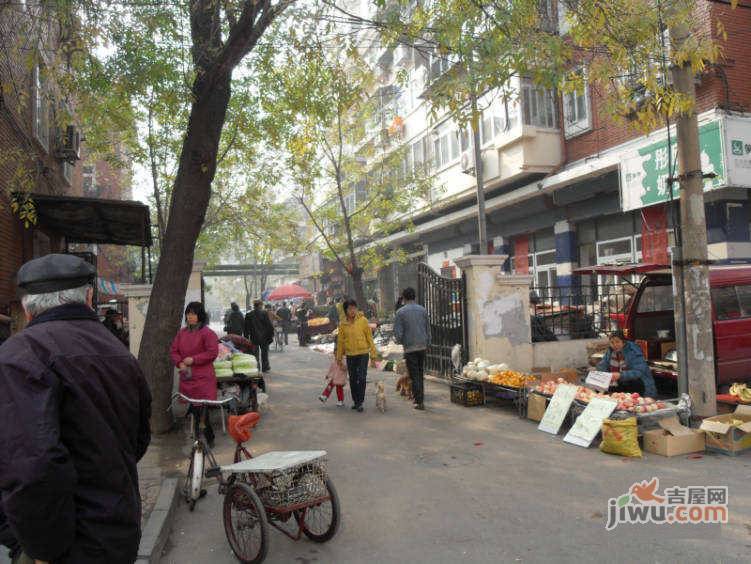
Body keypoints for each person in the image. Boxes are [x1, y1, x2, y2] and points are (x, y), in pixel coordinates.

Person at [0, 254, 151, 563]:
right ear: (88, 296)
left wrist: (42, 550)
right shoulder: (118, 352)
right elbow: (138, 441)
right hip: (118, 529)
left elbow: (32, 466)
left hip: (64, 543)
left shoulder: (20, 354)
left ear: (27, 307)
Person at [170, 301, 219, 446]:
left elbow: (212, 353)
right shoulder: (182, 333)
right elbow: (174, 350)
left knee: (201, 412)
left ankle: (205, 440)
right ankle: (202, 438)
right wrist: (180, 363)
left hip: (203, 379)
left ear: (200, 315)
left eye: (193, 313)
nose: (190, 316)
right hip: (187, 377)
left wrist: (194, 359)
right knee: (195, 410)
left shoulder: (208, 333)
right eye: (188, 313)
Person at [336, 299, 377, 412]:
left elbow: (370, 338)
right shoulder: (343, 324)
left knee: (362, 377)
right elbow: (340, 342)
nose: (352, 310)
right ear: (346, 310)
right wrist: (339, 358)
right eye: (349, 308)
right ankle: (356, 401)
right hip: (350, 355)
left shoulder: (363, 321)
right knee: (353, 379)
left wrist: (373, 355)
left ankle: (360, 402)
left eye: (354, 308)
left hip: (363, 353)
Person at [394, 287, 431, 410]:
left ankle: (418, 401)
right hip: (422, 346)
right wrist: (428, 342)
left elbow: (398, 333)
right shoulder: (423, 310)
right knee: (420, 373)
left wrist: (400, 341)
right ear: (414, 297)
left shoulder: (400, 312)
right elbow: (428, 329)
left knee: (414, 374)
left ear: (404, 298)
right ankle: (420, 398)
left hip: (410, 347)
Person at [596, 330, 657, 398]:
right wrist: (604, 375)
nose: (615, 345)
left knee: (635, 384)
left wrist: (620, 375)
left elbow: (639, 372)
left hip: (638, 383)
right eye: (612, 342)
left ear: (623, 342)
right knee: (599, 387)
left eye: (617, 341)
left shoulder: (633, 350)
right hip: (620, 382)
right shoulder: (610, 351)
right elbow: (602, 365)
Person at [245, 300, 274, 372]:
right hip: (264, 337)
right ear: (260, 305)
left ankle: (256, 368)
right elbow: (269, 325)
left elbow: (246, 328)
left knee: (255, 354)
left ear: (254, 305)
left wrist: (246, 338)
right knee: (264, 353)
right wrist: (271, 335)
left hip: (254, 337)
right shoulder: (264, 313)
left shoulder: (249, 314)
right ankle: (265, 367)